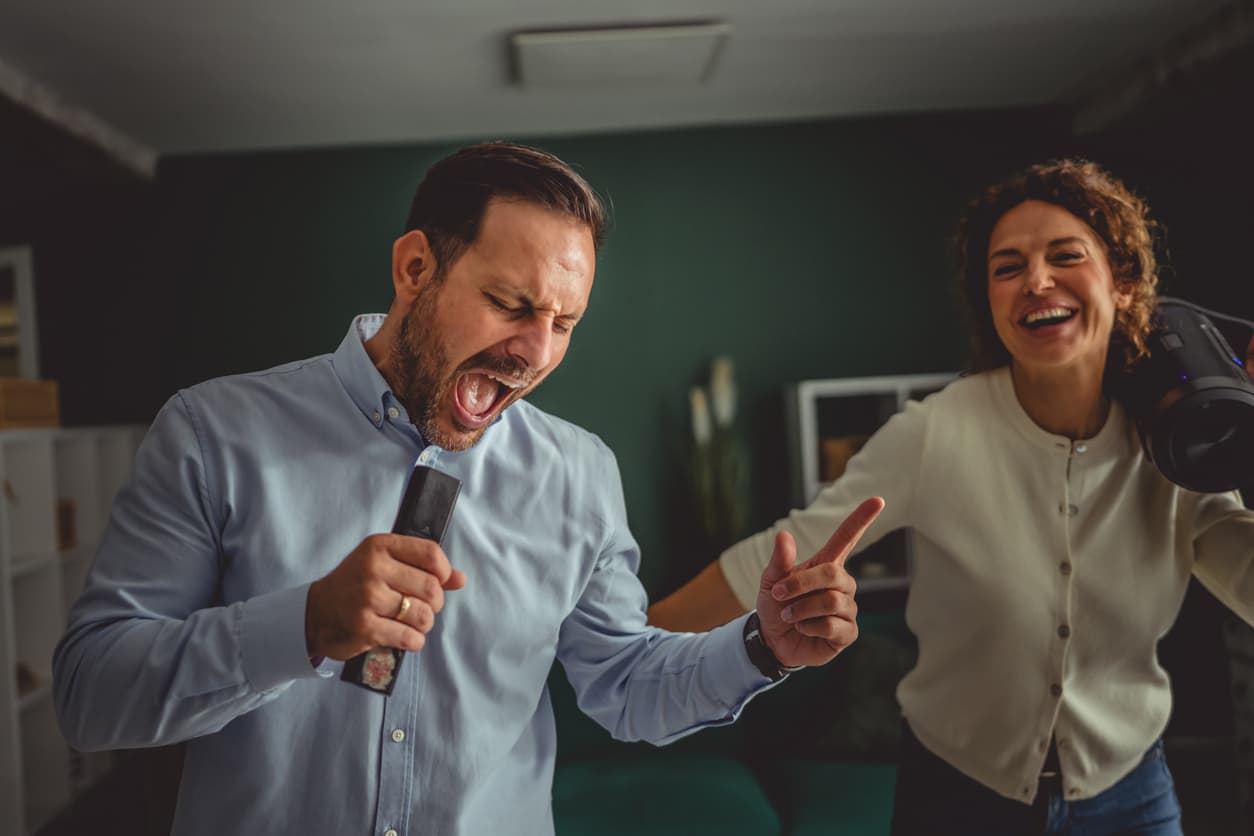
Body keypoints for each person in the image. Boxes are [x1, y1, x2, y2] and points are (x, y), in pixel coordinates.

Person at [52, 142, 883, 836]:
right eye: (510, 304)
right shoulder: (214, 432)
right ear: (416, 267)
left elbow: (626, 685)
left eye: (564, 323)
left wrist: (763, 645)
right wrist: (301, 624)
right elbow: (92, 697)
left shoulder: (579, 473)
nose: (535, 352)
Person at [648, 158, 1254, 835]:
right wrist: (626, 644)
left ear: (1123, 280)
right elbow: (775, 557)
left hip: (1131, 794)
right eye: (1007, 267)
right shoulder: (933, 433)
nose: (1036, 281)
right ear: (989, 303)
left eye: (1065, 256)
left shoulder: (1177, 441)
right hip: (960, 797)